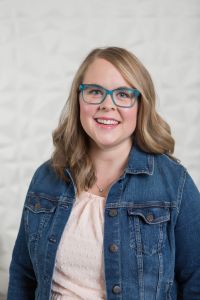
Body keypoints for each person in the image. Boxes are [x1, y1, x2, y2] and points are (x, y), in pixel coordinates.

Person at [7, 46, 200, 300]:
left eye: (123, 94)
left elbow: (196, 280)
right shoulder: (46, 177)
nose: (107, 105)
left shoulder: (175, 184)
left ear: (141, 104)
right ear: (79, 99)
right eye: (95, 92)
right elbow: (23, 276)